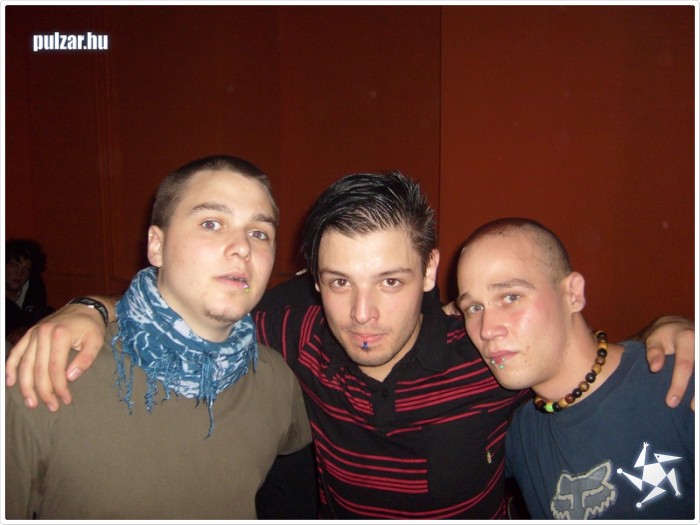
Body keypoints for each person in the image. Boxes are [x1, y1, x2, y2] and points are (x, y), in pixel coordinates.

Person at [5, 172, 696, 519]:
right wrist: (93, 310)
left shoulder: (488, 353)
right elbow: (194, 306)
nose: (362, 314)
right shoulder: (291, 326)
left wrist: (664, 331)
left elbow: (571, 359)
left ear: (430, 271)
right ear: (312, 278)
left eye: (391, 280)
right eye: (339, 281)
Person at [4, 155, 312, 519]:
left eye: (259, 233)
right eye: (211, 223)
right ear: (156, 245)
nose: (243, 247)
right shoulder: (49, 372)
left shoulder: (275, 379)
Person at [455, 217, 694, 519]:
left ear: (573, 294)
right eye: (474, 308)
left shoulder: (677, 383)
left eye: (510, 297)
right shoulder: (518, 432)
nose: (487, 329)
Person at [5, 238, 54, 351]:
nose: (19, 274)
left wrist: (25, 328)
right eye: (14, 266)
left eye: (26, 269)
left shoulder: (34, 284)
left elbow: (40, 312)